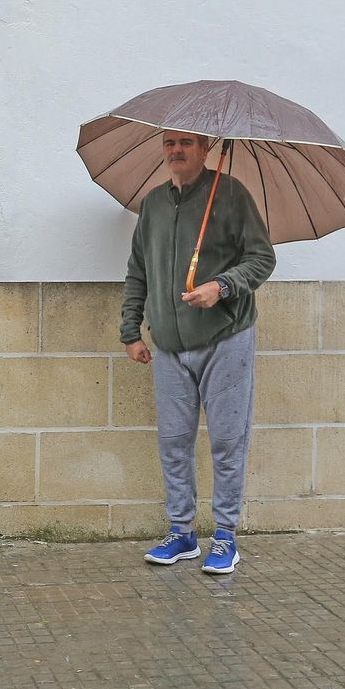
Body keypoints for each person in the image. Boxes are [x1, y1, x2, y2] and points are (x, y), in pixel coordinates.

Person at [120, 131, 275, 574]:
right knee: (173, 442)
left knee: (227, 440)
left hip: (226, 338)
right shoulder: (152, 205)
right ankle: (182, 533)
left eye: (186, 142)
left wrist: (221, 286)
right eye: (170, 142)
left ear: (205, 149)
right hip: (169, 345)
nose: (176, 150)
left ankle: (225, 536)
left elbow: (262, 258)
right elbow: (138, 272)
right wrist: (131, 331)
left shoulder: (230, 195)